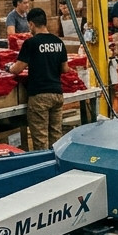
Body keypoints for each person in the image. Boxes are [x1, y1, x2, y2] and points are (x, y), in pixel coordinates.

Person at [8, 8, 69, 150]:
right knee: (56, 136)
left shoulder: (31, 43)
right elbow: (65, 69)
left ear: (31, 24)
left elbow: (17, 69)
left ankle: (43, 163)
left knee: (40, 139)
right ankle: (56, 161)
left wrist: (8, 68)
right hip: (57, 94)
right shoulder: (58, 42)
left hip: (39, 96)